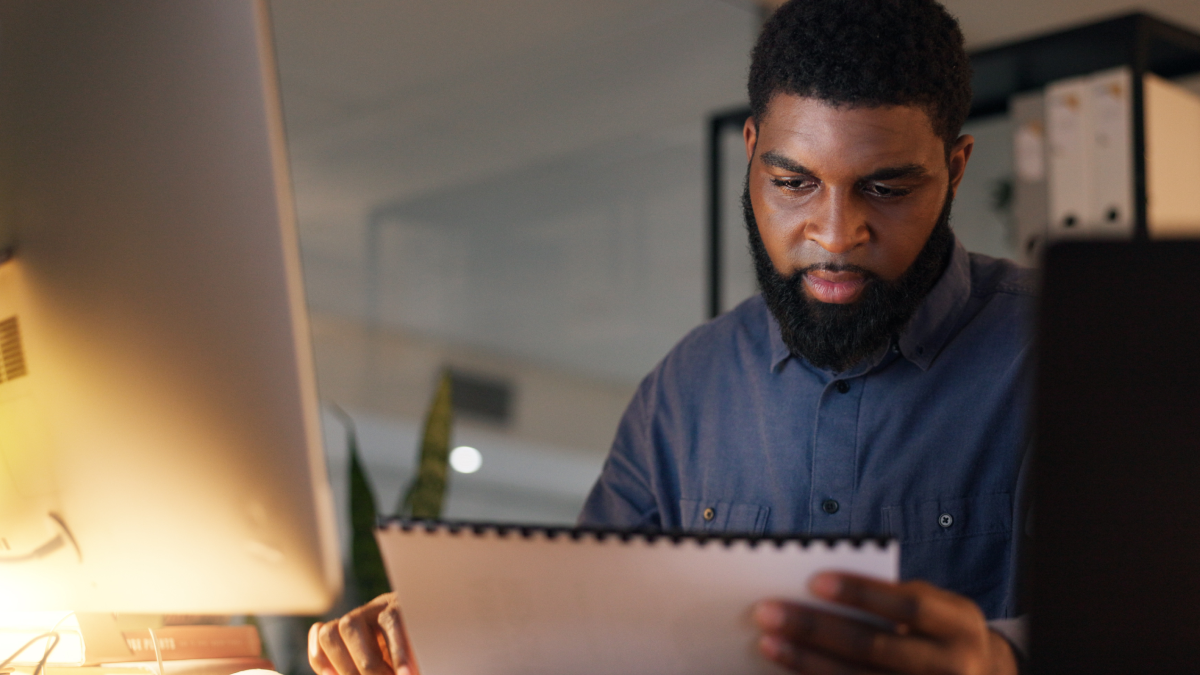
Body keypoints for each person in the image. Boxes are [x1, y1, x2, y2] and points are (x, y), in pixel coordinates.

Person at [308, 0, 1032, 673]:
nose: (835, 234)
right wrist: (446, 627)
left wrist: (1002, 659)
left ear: (957, 168)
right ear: (751, 154)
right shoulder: (685, 390)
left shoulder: (1068, 356)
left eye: (888, 189)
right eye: (794, 184)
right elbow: (584, 630)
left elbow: (1144, 623)